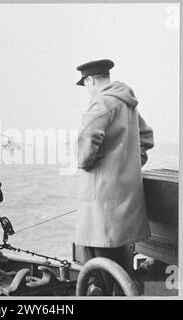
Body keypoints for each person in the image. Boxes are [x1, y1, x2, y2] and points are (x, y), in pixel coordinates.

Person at [75, 59, 154, 295]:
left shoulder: (101, 103)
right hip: (126, 197)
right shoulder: (127, 104)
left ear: (90, 80)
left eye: (86, 85)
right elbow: (147, 137)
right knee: (120, 255)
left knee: (95, 250)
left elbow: (88, 141)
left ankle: (102, 291)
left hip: (102, 197)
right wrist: (133, 160)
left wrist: (85, 162)